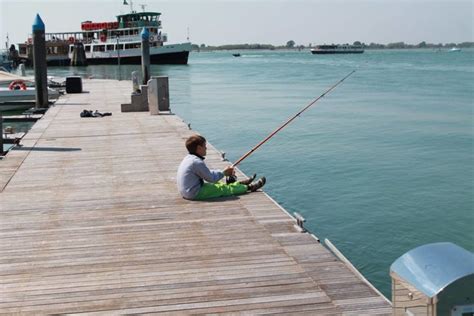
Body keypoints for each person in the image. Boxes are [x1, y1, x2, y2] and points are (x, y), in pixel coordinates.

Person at [177, 135, 266, 200]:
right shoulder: (196, 162)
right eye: (204, 146)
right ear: (199, 148)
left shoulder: (189, 158)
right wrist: (224, 173)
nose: (206, 148)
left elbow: (207, 173)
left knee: (217, 185)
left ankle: (240, 184)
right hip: (194, 193)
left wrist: (223, 172)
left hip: (188, 190)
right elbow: (211, 178)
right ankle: (249, 187)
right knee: (223, 189)